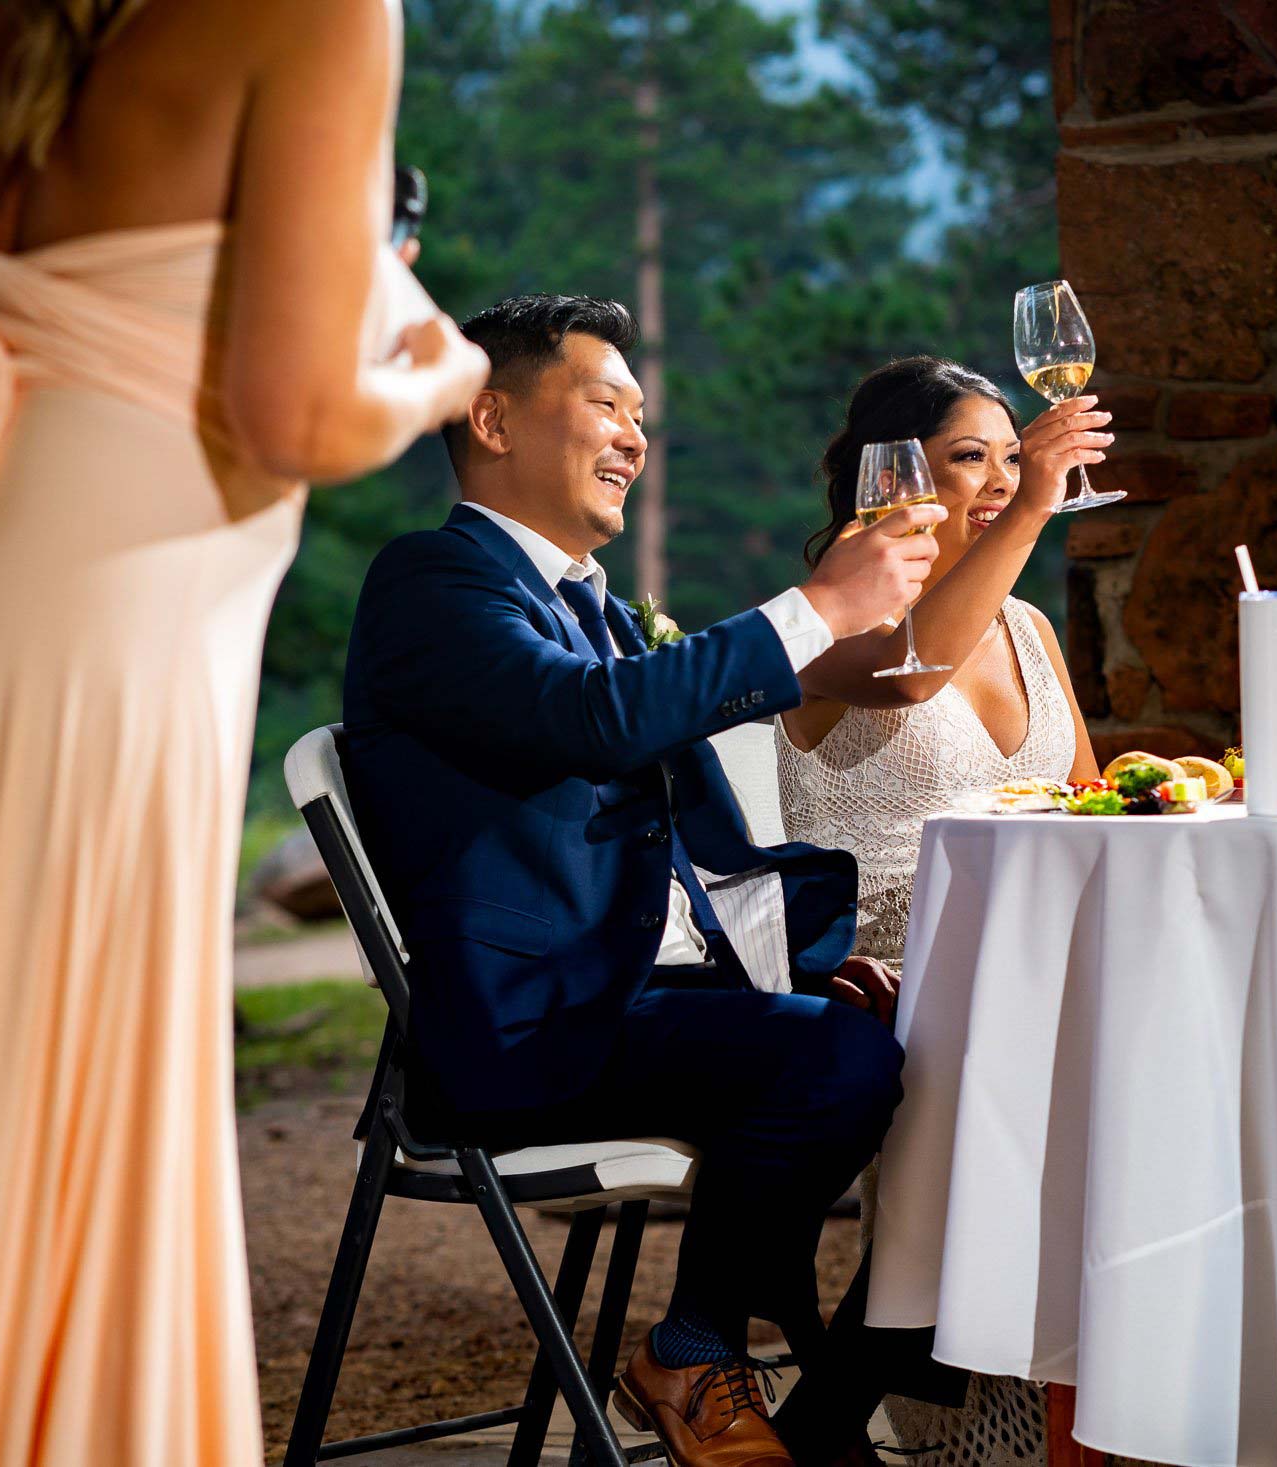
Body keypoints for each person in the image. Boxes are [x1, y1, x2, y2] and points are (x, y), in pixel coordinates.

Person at [0, 1, 486, 1460]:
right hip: (92, 665)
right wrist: (441, 361)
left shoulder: (9, 39)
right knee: (66, 1147)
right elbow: (302, 419)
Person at [340, 294, 939, 1467]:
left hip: (625, 1002)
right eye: (605, 404)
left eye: (642, 416)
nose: (634, 436)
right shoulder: (431, 583)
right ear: (492, 418)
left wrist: (805, 964)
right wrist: (816, 607)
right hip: (530, 1026)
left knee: (906, 1028)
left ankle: (834, 1374)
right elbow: (595, 721)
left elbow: (679, 846)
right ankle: (707, 1353)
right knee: (837, 1063)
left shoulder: (602, 610)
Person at [773, 357, 1113, 1467]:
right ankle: (842, 1405)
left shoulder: (1026, 630)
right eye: (971, 456)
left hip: (1030, 955)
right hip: (883, 962)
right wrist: (1031, 511)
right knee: (1029, 1044)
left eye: (1013, 458)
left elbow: (1096, 804)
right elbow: (915, 672)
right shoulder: (831, 612)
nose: (1001, 480)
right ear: (886, 477)